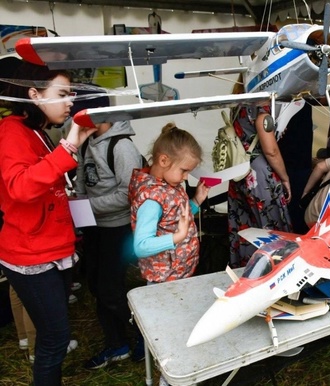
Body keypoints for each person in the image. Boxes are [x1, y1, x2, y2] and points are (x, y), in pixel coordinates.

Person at [0, 60, 96, 385]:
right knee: (55, 338)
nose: (70, 101)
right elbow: (20, 186)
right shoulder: (11, 131)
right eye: (63, 93)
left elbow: (48, 183)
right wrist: (68, 146)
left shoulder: (37, 131)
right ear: (34, 95)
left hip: (52, 247)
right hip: (31, 254)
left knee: (54, 335)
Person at [73, 90, 146, 369]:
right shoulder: (85, 143)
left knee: (112, 287)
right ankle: (117, 343)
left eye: (79, 116)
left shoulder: (121, 146)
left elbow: (128, 194)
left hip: (118, 228)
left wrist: (87, 206)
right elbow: (81, 181)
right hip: (95, 227)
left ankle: (141, 336)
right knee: (97, 285)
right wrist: (79, 208)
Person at [129, 123, 210, 283]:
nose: (186, 177)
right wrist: (178, 236)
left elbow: (174, 219)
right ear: (164, 160)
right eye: (184, 170)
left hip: (178, 273)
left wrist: (197, 200)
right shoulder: (152, 199)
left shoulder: (170, 184)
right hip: (163, 280)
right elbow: (141, 246)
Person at [228, 78, 292, 267]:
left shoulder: (237, 101)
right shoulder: (260, 107)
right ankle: (272, 270)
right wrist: (285, 178)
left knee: (244, 225)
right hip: (259, 175)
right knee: (271, 227)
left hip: (238, 170)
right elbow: (270, 150)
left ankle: (245, 269)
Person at [277, 101, 314, 234]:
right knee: (293, 210)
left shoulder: (307, 94)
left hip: (297, 161)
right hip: (289, 164)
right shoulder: (268, 100)